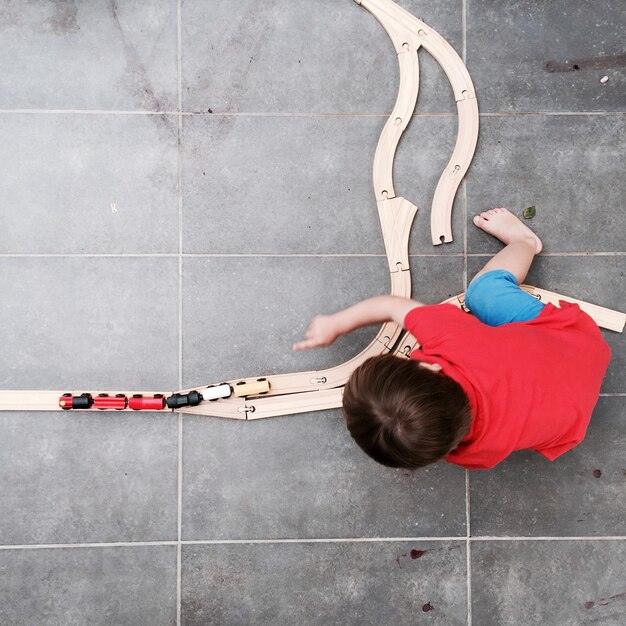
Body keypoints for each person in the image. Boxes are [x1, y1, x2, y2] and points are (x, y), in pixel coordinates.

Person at [293, 208, 611, 470]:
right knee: (484, 292)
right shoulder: (455, 341)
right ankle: (523, 242)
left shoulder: (476, 453)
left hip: (571, 418)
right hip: (578, 343)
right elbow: (392, 305)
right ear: (431, 370)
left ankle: (526, 242)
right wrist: (337, 323)